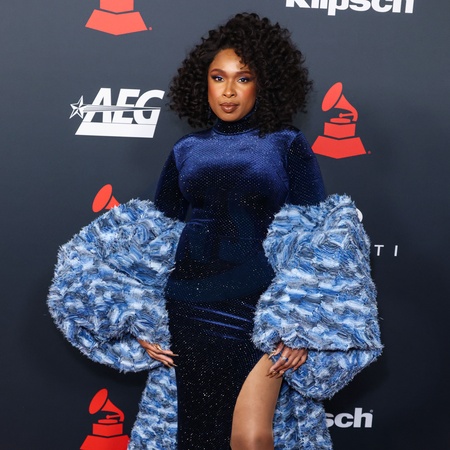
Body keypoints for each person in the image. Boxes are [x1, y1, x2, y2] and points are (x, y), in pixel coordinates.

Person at [48, 13, 382, 450]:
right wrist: (136, 315)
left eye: (243, 79)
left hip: (257, 308)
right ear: (201, 82)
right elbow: (151, 233)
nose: (228, 91)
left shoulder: (287, 143)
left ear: (264, 84)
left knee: (252, 436)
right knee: (195, 435)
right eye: (218, 77)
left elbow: (320, 233)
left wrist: (304, 322)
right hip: (188, 305)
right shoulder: (186, 149)